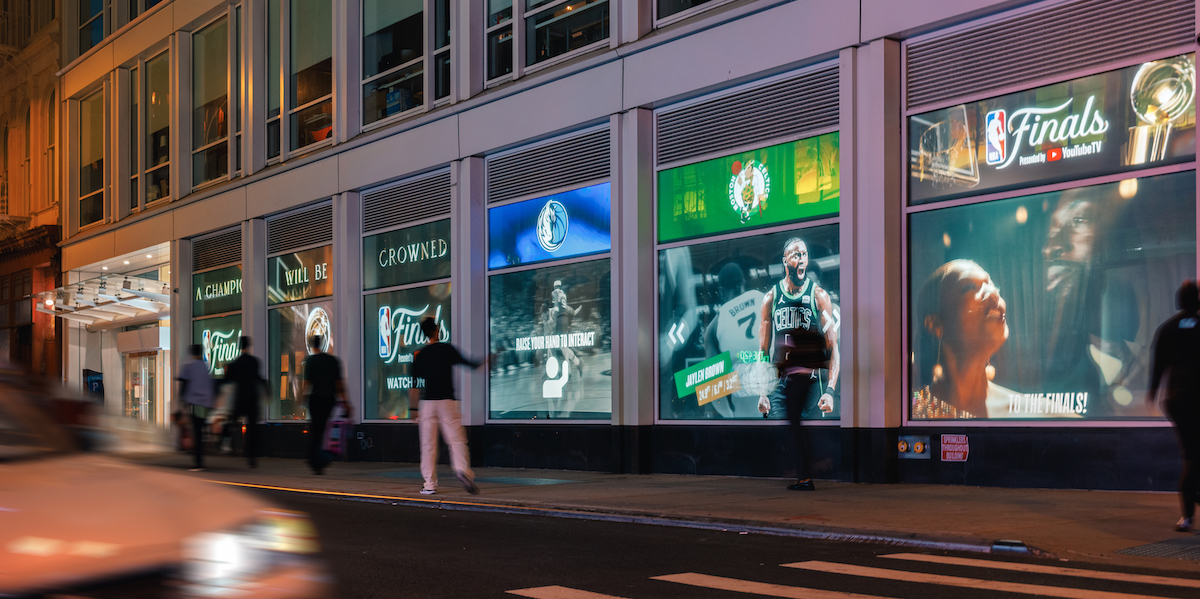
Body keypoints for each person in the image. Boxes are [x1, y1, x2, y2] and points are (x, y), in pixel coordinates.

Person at [757, 237, 840, 490]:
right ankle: (803, 476)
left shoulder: (819, 296)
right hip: (781, 382)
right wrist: (762, 392)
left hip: (809, 381)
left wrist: (830, 390)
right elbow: (763, 350)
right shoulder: (771, 299)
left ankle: (806, 477)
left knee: (801, 429)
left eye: (804, 254)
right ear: (785, 261)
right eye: (796, 255)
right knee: (790, 430)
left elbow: (833, 347)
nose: (802, 259)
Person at [912, 260, 1016, 418]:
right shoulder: (912, 412)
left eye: (993, 286)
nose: (994, 293)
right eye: (969, 287)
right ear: (936, 323)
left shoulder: (1046, 413)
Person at [1146, 281, 1200, 532]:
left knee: (1190, 455)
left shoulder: (1167, 328)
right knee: (1194, 457)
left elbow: (1159, 365)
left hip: (1178, 400)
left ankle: (1187, 515)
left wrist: (1152, 393)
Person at [409, 317, 483, 495]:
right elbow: (470, 364)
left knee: (428, 445)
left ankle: (429, 484)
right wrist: (486, 361)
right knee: (456, 440)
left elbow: (413, 385)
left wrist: (413, 409)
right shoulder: (447, 349)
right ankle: (462, 471)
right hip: (447, 402)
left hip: (427, 404)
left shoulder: (420, 355)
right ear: (437, 331)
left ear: (424, 334)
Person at [703, 262, 763, 417]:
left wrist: (730, 417)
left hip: (747, 415)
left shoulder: (714, 326)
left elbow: (711, 388)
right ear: (743, 283)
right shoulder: (762, 298)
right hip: (781, 409)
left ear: (722, 291)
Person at [300, 335, 350, 475]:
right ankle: (320, 459)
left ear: (312, 346)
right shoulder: (332, 361)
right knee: (325, 430)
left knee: (316, 429)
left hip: (315, 399)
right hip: (329, 399)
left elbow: (307, 384)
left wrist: (302, 398)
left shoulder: (310, 362)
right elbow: (339, 384)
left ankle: (314, 460)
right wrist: (345, 402)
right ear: (322, 344)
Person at [223, 336, 265, 468]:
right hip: (252, 399)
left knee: (231, 421)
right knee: (252, 428)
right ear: (249, 346)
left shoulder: (235, 365)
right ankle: (251, 457)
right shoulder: (255, 362)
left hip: (239, 399)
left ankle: (228, 442)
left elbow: (228, 383)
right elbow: (258, 380)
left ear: (239, 346)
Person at [176, 344, 215, 471]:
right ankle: (199, 459)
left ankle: (198, 462)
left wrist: (182, 402)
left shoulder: (189, 366)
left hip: (194, 404)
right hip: (205, 404)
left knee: (195, 433)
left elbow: (184, 384)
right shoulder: (205, 366)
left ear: (191, 353)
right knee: (200, 432)